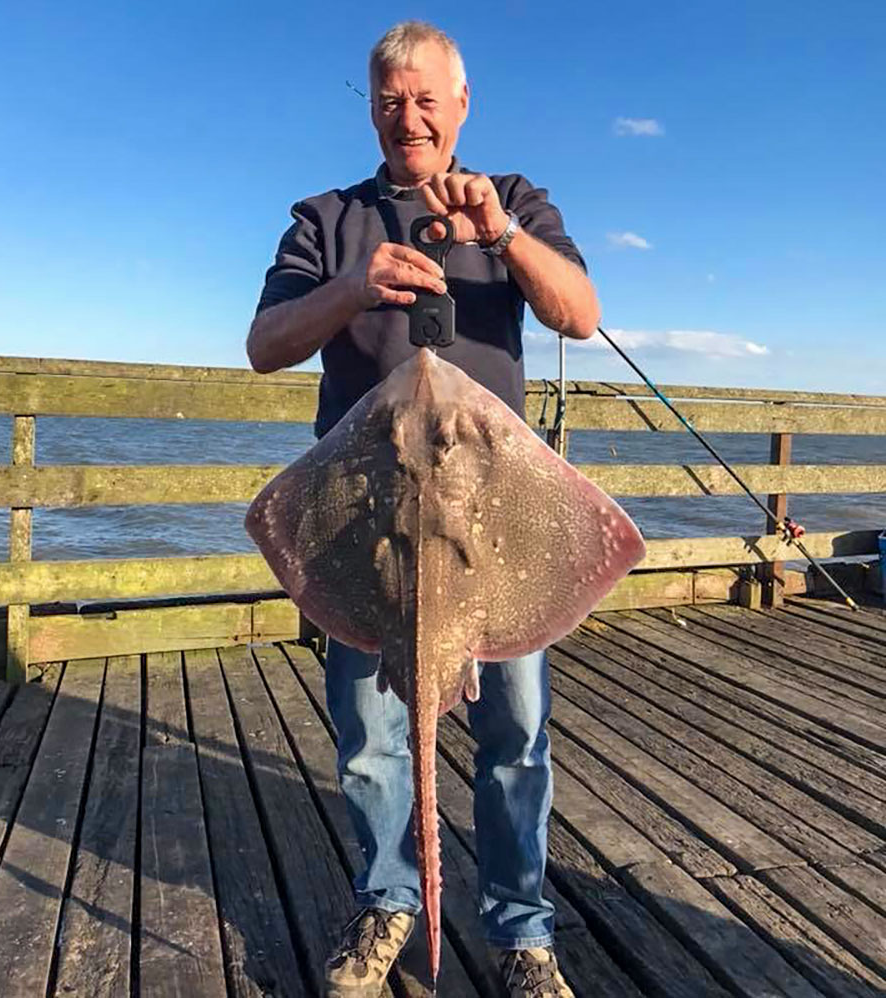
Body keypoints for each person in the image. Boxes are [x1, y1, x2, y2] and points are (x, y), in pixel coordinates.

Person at [248, 21, 599, 998]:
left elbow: (580, 312)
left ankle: (523, 928)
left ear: (462, 102)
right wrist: (355, 287)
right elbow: (266, 342)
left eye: (426, 97)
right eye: (390, 99)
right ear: (370, 108)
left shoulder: (514, 200)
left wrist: (502, 234)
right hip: (361, 523)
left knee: (515, 728)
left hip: (497, 522)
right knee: (368, 729)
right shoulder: (326, 219)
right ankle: (387, 896)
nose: (410, 116)